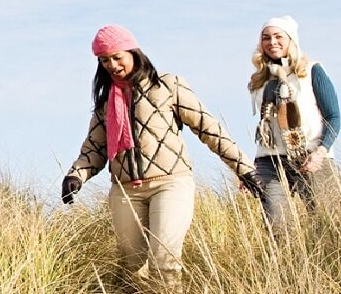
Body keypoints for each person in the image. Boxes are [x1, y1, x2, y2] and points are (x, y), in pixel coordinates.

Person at [61, 24, 261, 280]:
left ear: (133, 52)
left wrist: (244, 170)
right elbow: (95, 147)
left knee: (164, 260)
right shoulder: (105, 103)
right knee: (132, 270)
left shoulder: (168, 86)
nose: (112, 64)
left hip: (170, 184)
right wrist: (75, 176)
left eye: (117, 57)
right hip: (125, 191)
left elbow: (209, 128)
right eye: (104, 60)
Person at [246, 16, 341, 233]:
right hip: (269, 161)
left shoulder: (311, 71)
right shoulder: (260, 80)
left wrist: (320, 153)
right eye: (266, 38)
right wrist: (252, 168)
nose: (272, 42)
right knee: (277, 225)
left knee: (326, 223)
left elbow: (333, 116)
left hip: (309, 155)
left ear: (291, 39)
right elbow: (265, 126)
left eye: (279, 36)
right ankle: (284, 266)